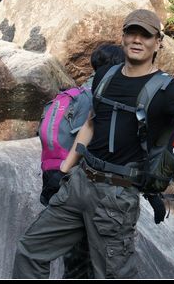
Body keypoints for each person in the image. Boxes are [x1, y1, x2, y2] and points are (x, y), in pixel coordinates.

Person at [13, 9, 174, 279]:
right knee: (30, 250)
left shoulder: (167, 90)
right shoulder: (107, 76)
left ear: (158, 42)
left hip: (115, 198)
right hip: (79, 184)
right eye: (132, 33)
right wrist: (64, 171)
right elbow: (92, 123)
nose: (137, 40)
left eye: (146, 35)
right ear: (124, 37)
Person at [39, 44, 126, 280]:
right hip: (76, 182)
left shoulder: (75, 93)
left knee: (76, 255)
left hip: (53, 175)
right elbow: (89, 143)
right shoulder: (97, 97)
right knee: (87, 254)